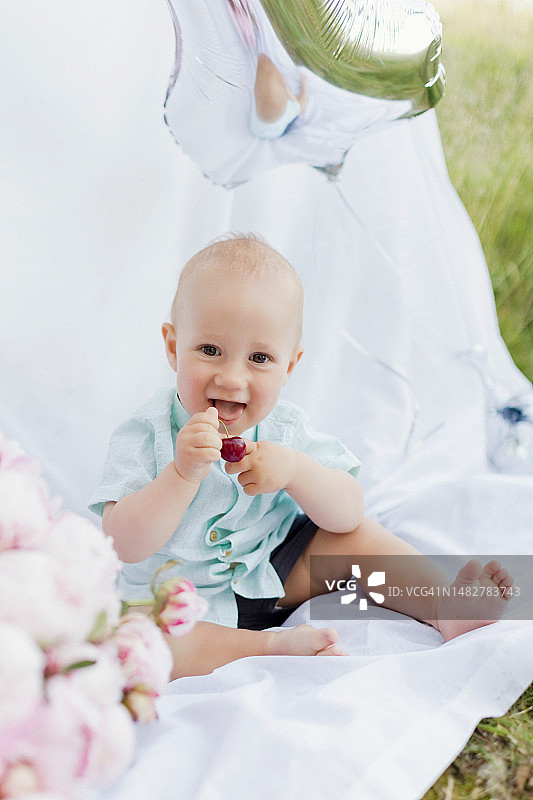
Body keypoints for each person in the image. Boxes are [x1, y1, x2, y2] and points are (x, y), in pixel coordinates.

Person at [90, 234, 514, 680]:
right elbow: (125, 543)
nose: (233, 377)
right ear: (174, 347)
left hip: (271, 569)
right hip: (177, 600)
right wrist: (180, 474)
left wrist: (296, 471)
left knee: (355, 541)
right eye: (210, 350)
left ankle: (444, 607)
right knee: (138, 639)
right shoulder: (145, 434)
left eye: (259, 357)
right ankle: (268, 646)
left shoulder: (286, 430)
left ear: (289, 366)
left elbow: (348, 512)